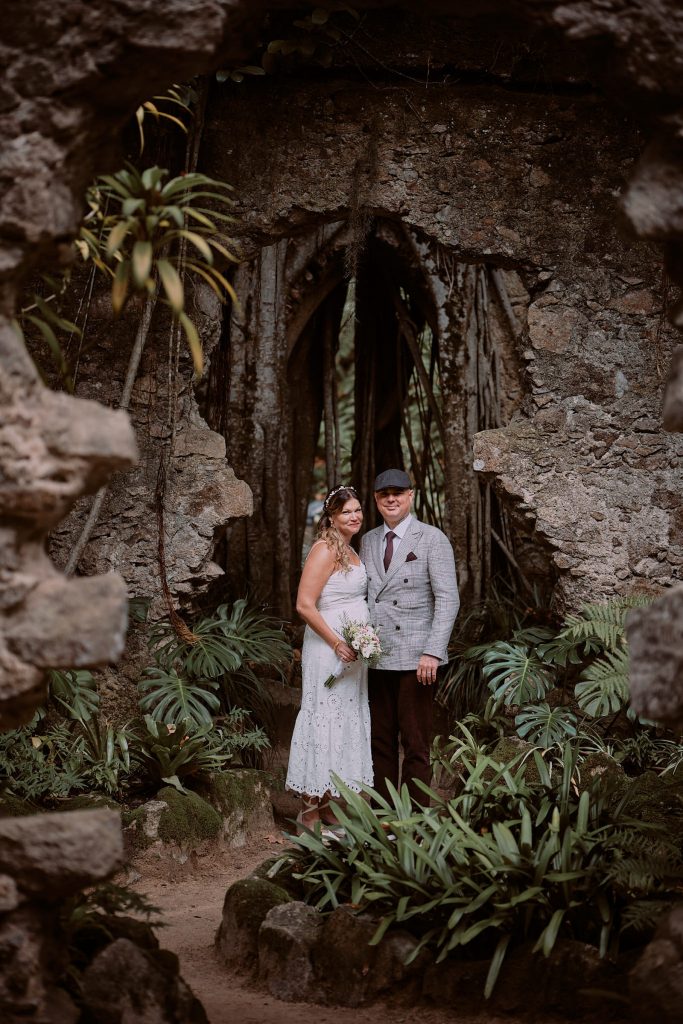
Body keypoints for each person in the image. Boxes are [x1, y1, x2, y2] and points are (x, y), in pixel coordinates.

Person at [359, 469, 459, 803]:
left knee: (415, 743)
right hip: (377, 657)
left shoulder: (432, 539)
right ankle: (384, 817)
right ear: (376, 499)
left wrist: (432, 652)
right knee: (380, 740)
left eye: (398, 492)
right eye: (384, 493)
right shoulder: (369, 540)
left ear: (411, 496)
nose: (391, 498)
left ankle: (414, 822)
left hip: (418, 659)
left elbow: (448, 599)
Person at [286, 485, 373, 834]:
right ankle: (308, 809)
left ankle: (328, 802)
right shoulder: (324, 549)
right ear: (332, 517)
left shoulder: (351, 549)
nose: (354, 516)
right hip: (328, 648)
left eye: (357, 510)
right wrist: (337, 642)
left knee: (344, 721)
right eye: (346, 512)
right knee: (323, 718)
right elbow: (304, 605)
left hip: (352, 653)